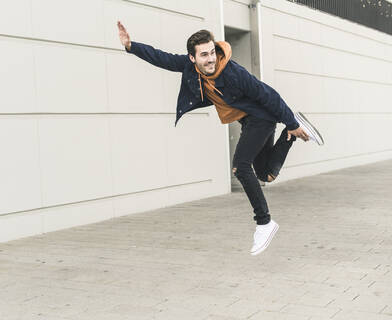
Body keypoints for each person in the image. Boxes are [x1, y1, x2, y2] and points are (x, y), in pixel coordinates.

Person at [117, 21, 324, 255]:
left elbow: (269, 95)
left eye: (212, 52)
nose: (211, 59)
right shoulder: (189, 66)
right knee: (265, 174)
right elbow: (162, 58)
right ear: (193, 58)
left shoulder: (233, 73)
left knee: (240, 168)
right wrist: (131, 46)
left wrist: (290, 121)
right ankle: (290, 137)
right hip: (249, 121)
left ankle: (264, 223)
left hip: (261, 118)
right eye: (204, 55)